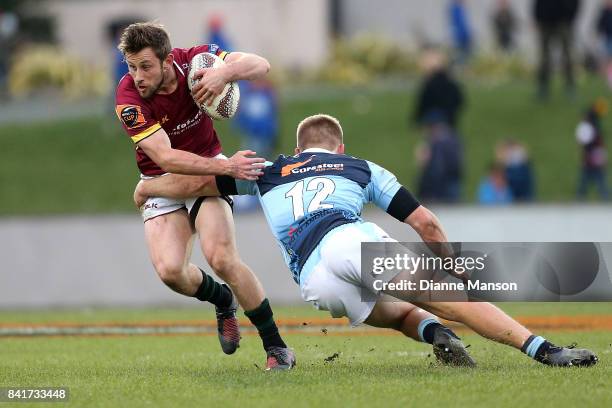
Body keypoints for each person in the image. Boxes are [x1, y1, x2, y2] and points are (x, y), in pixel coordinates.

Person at [134, 114, 598, 368]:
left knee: (389, 311)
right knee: (452, 298)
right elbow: (427, 224)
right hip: (345, 240)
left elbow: (196, 186)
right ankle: (544, 350)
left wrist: (148, 187)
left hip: (313, 279)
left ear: (299, 150)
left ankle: (436, 335)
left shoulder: (271, 170)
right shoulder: (357, 166)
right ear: (339, 146)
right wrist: (451, 266)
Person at [114, 22, 294, 370]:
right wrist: (228, 170)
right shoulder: (128, 99)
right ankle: (222, 299)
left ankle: (276, 347)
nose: (137, 76)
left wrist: (222, 73)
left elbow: (261, 66)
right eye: (131, 67)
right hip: (165, 179)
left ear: (167, 61)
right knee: (170, 271)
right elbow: (165, 159)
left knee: (222, 258)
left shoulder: (195, 61)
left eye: (145, 66)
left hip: (208, 168)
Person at [533, 0, 580, 100]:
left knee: (567, 56)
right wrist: (537, 18)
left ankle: (570, 87)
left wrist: (570, 18)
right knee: (544, 58)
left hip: (564, 21)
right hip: (545, 22)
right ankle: (543, 88)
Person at [412, 48, 465, 131]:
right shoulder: (450, 82)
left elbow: (423, 102)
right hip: (449, 116)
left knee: (436, 139)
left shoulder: (430, 84)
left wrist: (416, 118)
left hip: (434, 118)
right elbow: (459, 99)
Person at [576, 99, 609, 200]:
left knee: (588, 174)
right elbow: (589, 139)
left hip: (591, 152)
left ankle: (581, 195)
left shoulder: (590, 121)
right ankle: (604, 194)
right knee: (597, 174)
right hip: (593, 152)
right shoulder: (592, 122)